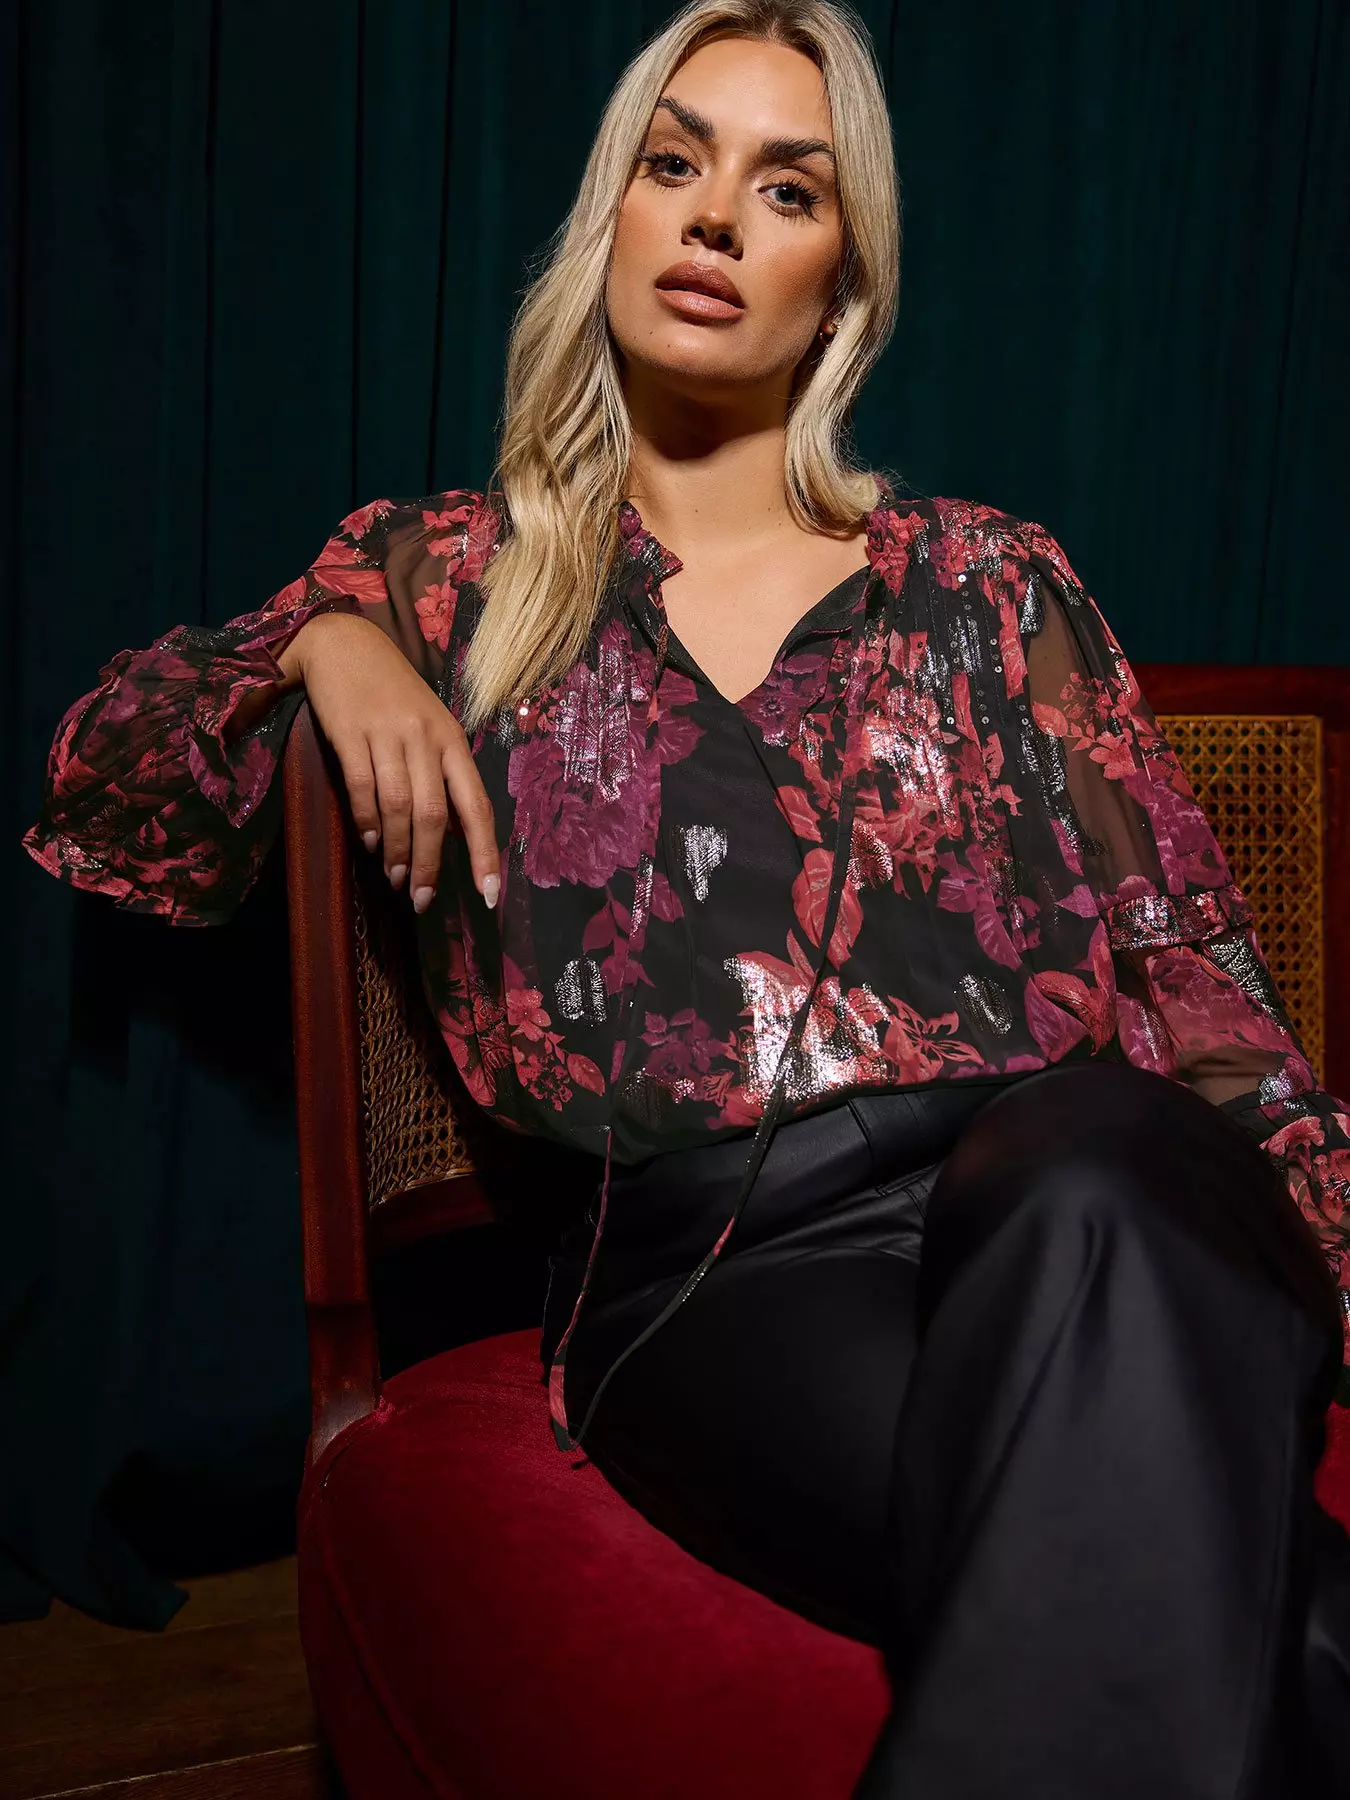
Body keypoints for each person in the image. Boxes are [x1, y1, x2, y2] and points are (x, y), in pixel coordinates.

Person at [21, 0, 1350, 1791]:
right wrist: (315, 647)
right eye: (674, 163)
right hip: (723, 1277)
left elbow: (1195, 981)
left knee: (1101, 1159)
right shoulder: (448, 578)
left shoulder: (985, 581)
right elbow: (110, 797)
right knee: (1264, 1607)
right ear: (616, 214)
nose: (716, 216)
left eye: (786, 188)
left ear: (841, 279)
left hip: (1070, 1171)